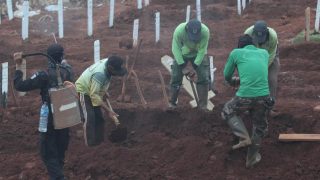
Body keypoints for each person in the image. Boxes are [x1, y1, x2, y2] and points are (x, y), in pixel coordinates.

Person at [14, 44, 74, 180]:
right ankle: (58, 175)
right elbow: (67, 67)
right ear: (61, 56)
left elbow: (20, 86)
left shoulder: (44, 75)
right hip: (65, 116)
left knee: (47, 151)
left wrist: (18, 67)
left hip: (50, 118)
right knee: (60, 150)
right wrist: (64, 61)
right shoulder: (68, 72)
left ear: (48, 57)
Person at [222, 35, 274, 168]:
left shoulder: (236, 53)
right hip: (264, 96)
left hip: (245, 96)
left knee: (228, 110)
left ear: (240, 46)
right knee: (259, 127)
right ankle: (251, 159)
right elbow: (256, 71)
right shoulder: (264, 53)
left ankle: (243, 137)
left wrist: (232, 81)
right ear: (254, 45)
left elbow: (226, 75)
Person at [75, 56, 127, 147]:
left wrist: (103, 90)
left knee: (99, 117)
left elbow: (99, 84)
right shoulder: (100, 74)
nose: (117, 74)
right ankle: (90, 145)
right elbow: (94, 95)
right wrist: (108, 111)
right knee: (89, 117)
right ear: (110, 68)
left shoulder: (109, 62)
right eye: (116, 71)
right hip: (84, 90)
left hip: (93, 88)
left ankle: (99, 144)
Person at [169, 19, 210, 110]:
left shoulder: (205, 31)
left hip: (198, 53)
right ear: (187, 29)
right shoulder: (179, 31)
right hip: (183, 53)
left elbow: (202, 50)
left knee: (203, 77)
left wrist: (194, 67)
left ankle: (203, 107)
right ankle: (172, 104)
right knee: (176, 77)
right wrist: (182, 66)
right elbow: (176, 49)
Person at [244, 20, 279, 115]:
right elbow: (244, 52)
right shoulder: (248, 34)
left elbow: (271, 55)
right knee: (249, 80)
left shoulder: (273, 36)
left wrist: (262, 70)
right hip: (253, 58)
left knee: (271, 80)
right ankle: (248, 106)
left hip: (270, 57)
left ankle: (269, 108)